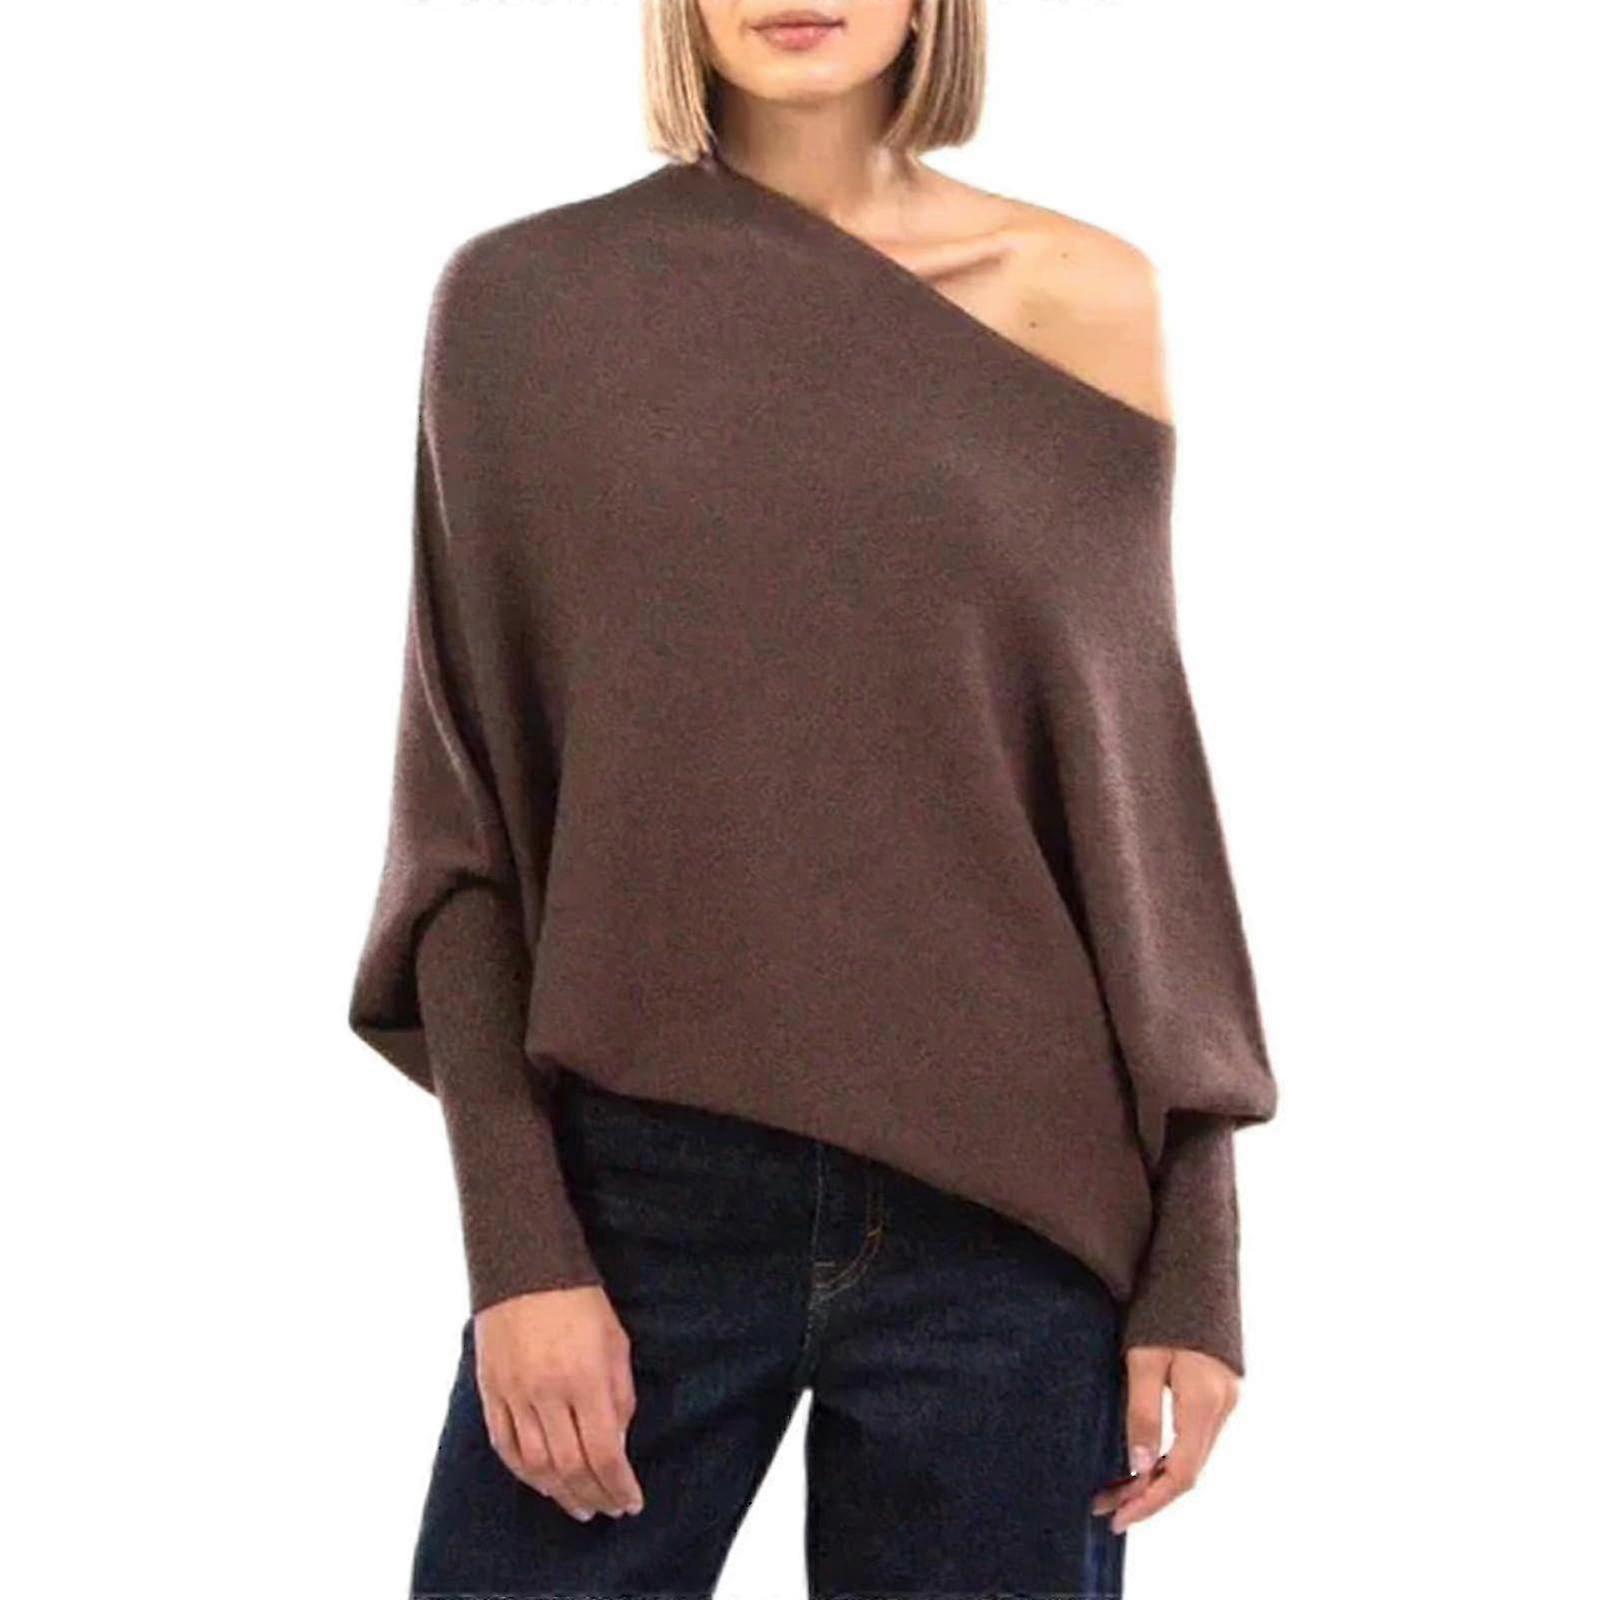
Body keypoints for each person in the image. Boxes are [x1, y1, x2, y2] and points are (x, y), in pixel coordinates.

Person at [347, 3, 1279, 1595]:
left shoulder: (1082, 298)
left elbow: (1136, 805)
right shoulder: (521, 302)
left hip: (1017, 1216)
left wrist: (1197, 1250)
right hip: (639, 1196)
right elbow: (465, 821)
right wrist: (519, 1253)